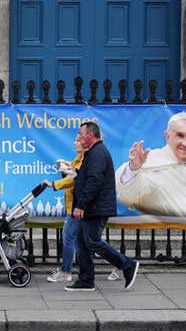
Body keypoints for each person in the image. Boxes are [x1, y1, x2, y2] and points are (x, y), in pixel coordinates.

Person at [64, 121, 139, 292]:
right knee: (82, 243)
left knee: (92, 241)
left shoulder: (98, 153)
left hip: (95, 208)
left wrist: (81, 205)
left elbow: (94, 181)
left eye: (80, 134)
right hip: (92, 206)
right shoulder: (92, 153)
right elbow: (87, 178)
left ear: (90, 135)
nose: (78, 138)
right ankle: (86, 280)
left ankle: (127, 265)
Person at [115, 112, 186, 218]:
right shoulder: (150, 160)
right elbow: (132, 192)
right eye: (180, 135)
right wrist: (133, 168)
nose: (185, 143)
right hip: (164, 232)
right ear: (167, 136)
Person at [43, 138, 120, 283]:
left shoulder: (88, 158)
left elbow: (75, 180)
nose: (75, 142)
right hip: (76, 205)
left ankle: (66, 272)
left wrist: (54, 184)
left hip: (79, 206)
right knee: (90, 241)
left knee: (71, 237)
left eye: (78, 140)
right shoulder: (78, 158)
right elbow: (73, 176)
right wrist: (66, 170)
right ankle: (122, 263)